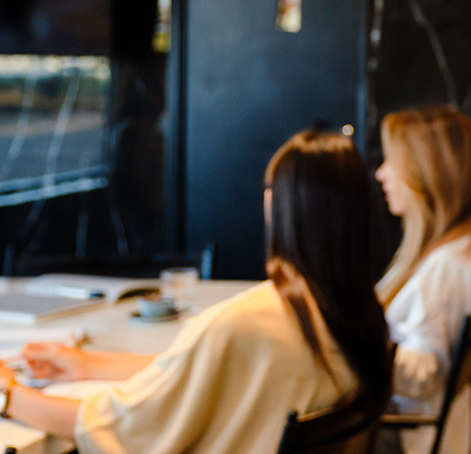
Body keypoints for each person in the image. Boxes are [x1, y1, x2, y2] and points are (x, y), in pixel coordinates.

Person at [0, 130, 392, 453]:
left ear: (277, 206)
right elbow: (201, 373)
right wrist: (87, 364)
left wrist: (9, 395)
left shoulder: (245, 323)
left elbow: (115, 425)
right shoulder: (352, 312)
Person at [373, 105, 471, 454]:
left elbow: (421, 375)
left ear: (427, 173)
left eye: (392, 162)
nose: (380, 174)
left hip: (402, 437)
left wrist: (354, 347)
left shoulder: (448, 268)